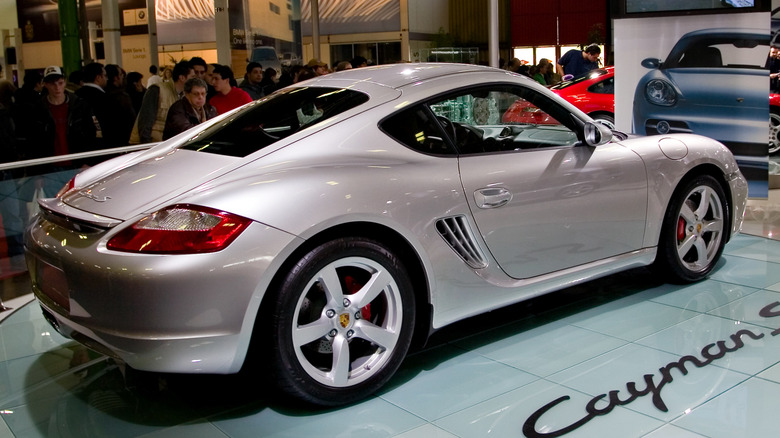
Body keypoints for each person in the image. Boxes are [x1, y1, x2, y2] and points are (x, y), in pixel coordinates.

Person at [130, 60, 194, 144]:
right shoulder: (157, 90)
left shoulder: (183, 96)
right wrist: (146, 145)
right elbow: (146, 119)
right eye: (192, 77)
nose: (195, 80)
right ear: (182, 78)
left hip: (164, 143)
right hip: (150, 144)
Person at [74, 62, 109, 147]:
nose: (107, 79)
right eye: (105, 75)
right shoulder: (105, 98)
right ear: (98, 77)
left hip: (80, 146)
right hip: (102, 146)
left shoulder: (75, 96)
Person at [104, 64, 136, 146]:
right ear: (116, 77)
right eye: (121, 75)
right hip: (123, 141)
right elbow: (131, 120)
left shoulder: (102, 95)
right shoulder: (122, 97)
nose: (123, 77)